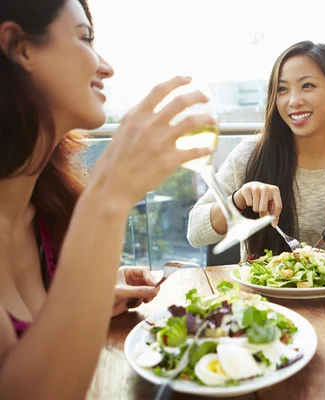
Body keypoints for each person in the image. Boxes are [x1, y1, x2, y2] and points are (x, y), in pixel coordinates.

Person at [0, 0, 213, 397]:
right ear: (19, 47)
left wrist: (93, 291)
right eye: (84, 38)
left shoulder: (41, 212)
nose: (106, 67)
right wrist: (109, 196)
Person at [187, 41, 325, 258]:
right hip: (258, 291)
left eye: (307, 86)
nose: (293, 101)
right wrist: (239, 198)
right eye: (282, 89)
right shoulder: (250, 154)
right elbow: (195, 232)